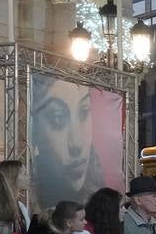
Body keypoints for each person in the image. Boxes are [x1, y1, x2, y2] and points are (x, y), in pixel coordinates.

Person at [30, 74, 103, 208]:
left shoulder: (100, 194)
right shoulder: (29, 205)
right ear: (35, 130)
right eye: (58, 118)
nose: (76, 144)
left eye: (83, 112)